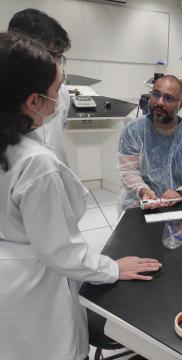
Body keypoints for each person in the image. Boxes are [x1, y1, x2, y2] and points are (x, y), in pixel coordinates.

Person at [0, 32, 161, 360]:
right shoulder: (35, 163)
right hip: (37, 290)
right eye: (57, 90)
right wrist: (112, 268)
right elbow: (62, 251)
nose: (59, 99)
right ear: (33, 101)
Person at [118, 74, 182, 210]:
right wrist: (143, 191)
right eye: (156, 95)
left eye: (168, 98)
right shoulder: (133, 131)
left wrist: (180, 193)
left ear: (180, 104)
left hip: (179, 204)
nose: (159, 102)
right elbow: (128, 170)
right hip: (140, 203)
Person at [8, 8, 71, 164]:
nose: (55, 65)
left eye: (59, 57)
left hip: (54, 175)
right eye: (50, 55)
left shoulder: (60, 93)